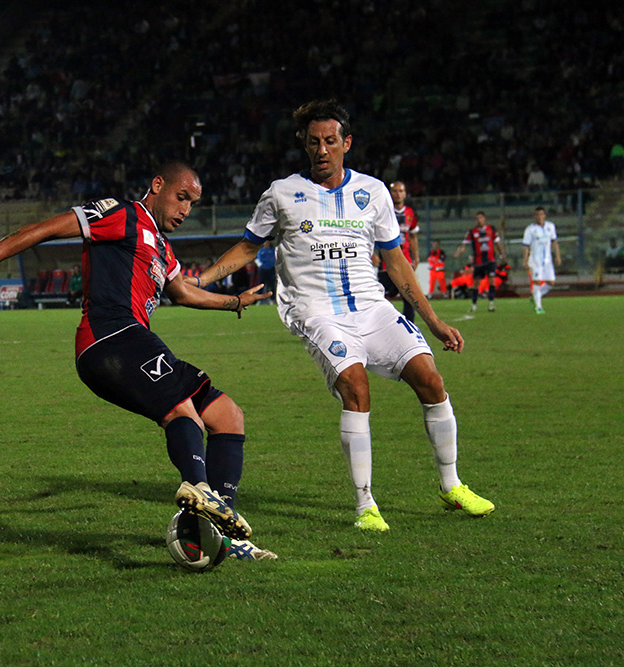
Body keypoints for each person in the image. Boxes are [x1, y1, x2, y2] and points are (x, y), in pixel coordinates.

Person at [0, 161, 276, 560]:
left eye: (192, 204)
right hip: (110, 338)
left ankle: (224, 530)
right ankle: (198, 488)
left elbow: (183, 292)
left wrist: (233, 301)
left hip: (132, 344)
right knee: (182, 410)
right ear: (158, 185)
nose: (185, 210)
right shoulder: (122, 214)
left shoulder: (162, 247)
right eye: (181, 197)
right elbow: (43, 229)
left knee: (227, 414)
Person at [196, 99, 494, 532]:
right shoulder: (281, 193)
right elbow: (247, 246)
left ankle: (452, 485)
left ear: (346, 143)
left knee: (431, 380)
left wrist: (434, 321)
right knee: (356, 386)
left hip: (371, 308)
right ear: (304, 144)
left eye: (330, 141)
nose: (322, 150)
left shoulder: (373, 192)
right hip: (316, 312)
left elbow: (395, 261)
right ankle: (365, 505)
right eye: (313, 142)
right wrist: (198, 281)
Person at [374, 180, 419, 322]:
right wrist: (372, 254)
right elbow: (371, 234)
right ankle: (381, 326)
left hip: (406, 261)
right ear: (390, 193)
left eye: (401, 191)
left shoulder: (411, 213)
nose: (398, 194)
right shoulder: (383, 211)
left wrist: (416, 257)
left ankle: (410, 327)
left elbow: (413, 236)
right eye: (395, 191)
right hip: (386, 262)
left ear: (405, 194)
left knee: (409, 296)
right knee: (383, 298)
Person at [454, 211, 505, 312]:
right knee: (476, 283)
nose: (479, 220)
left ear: (484, 218)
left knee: (491, 280)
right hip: (478, 261)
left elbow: (497, 242)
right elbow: (464, 244)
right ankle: (474, 305)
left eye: (481, 218)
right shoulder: (472, 232)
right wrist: (459, 252)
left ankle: (491, 303)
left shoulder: (491, 229)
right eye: (477, 218)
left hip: (490, 260)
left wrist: (502, 254)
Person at [521, 206, 562, 314]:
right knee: (537, 282)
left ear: (544, 215)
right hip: (535, 260)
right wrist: (525, 260)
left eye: (541, 214)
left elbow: (554, 242)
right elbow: (526, 246)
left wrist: (557, 256)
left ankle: (535, 297)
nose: (539, 216)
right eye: (537, 215)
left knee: (551, 282)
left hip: (547, 260)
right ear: (534, 216)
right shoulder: (530, 229)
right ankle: (539, 307)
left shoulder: (550, 226)